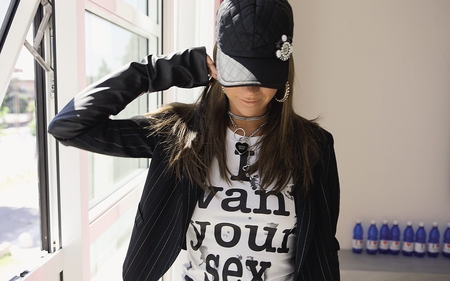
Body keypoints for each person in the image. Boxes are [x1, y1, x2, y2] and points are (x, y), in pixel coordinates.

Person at [48, 0, 340, 280]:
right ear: (217, 68)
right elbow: (69, 127)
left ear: (283, 71)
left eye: (263, 74)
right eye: (239, 71)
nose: (251, 88)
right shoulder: (176, 135)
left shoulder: (314, 145)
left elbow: (321, 246)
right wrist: (167, 69)